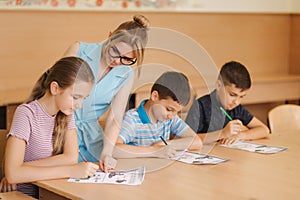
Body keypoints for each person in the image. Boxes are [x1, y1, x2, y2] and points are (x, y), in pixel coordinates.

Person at [1, 57, 99, 198]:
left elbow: (71, 158)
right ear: (55, 88)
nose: (80, 105)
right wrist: (70, 171)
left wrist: (23, 169)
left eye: (84, 98)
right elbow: (13, 174)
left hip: (52, 192)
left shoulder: (66, 114)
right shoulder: (26, 114)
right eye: (76, 97)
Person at [63, 14, 150, 170]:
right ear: (110, 36)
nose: (117, 61)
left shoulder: (126, 74)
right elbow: (54, 92)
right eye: (114, 51)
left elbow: (115, 118)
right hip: (61, 130)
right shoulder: (79, 50)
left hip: (92, 140)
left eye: (126, 58)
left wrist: (107, 153)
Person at [113, 71, 202, 159]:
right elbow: (114, 149)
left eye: (177, 112)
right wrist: (154, 150)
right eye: (169, 109)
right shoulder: (133, 119)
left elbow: (197, 142)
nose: (172, 116)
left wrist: (164, 144)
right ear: (155, 96)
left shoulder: (170, 119)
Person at [185, 61, 270, 145]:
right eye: (232, 95)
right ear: (218, 85)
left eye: (241, 97)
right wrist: (222, 133)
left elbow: (264, 130)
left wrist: (241, 135)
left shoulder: (236, 108)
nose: (236, 102)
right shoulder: (200, 106)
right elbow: (187, 139)